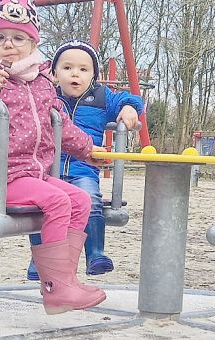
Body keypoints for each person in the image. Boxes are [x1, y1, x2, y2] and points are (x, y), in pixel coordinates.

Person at [0, 0, 107, 315]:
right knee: (59, 202)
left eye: (18, 38)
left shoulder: (40, 81)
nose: (9, 45)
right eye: (0, 38)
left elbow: (60, 122)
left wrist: (89, 149)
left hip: (31, 175)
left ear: (33, 43)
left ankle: (65, 281)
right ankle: (56, 289)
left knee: (80, 200)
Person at [26, 40, 144, 281]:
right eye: (67, 68)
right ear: (54, 73)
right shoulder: (45, 95)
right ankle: (40, 260)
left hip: (83, 169)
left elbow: (129, 99)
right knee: (42, 208)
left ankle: (95, 253)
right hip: (47, 169)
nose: (75, 74)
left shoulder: (102, 97)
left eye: (83, 69)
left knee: (90, 199)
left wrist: (130, 108)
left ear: (93, 75)